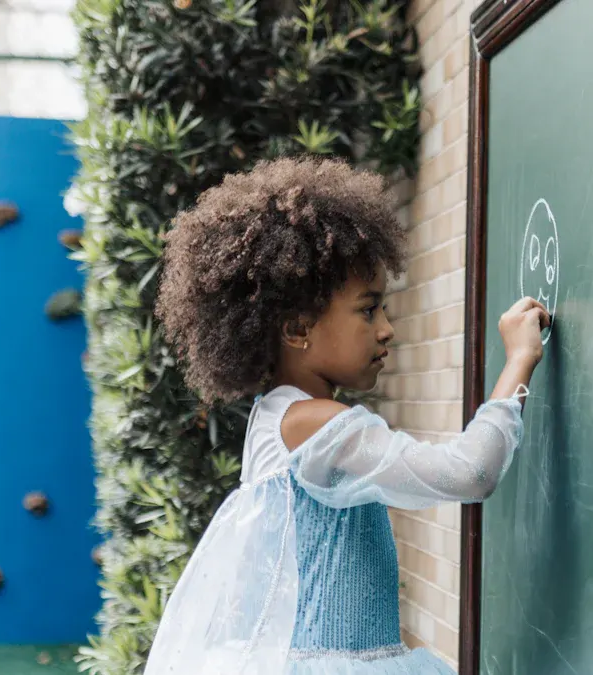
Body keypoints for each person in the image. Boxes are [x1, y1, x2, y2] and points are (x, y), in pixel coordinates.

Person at [146, 157, 551, 673]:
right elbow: (470, 473)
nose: (386, 329)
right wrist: (518, 361)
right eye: (368, 309)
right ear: (297, 330)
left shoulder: (273, 418)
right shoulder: (313, 425)